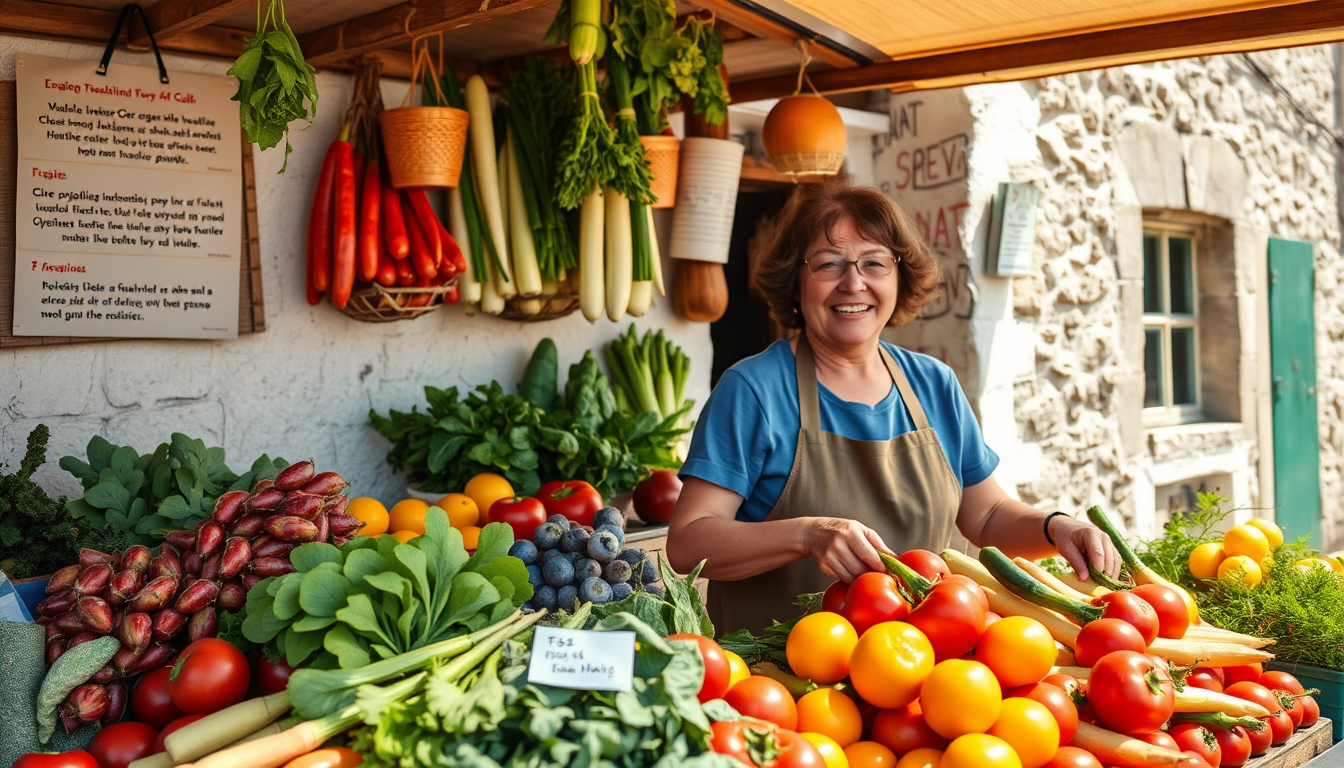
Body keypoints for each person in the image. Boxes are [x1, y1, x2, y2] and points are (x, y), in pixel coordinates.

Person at [665, 181, 1121, 634]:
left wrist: (1056, 527)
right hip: (781, 684)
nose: (853, 283)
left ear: (899, 277)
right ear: (795, 280)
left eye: (875, 263)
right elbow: (689, 542)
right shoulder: (753, 390)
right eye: (828, 264)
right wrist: (807, 534)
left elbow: (985, 516)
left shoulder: (933, 383)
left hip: (916, 677)